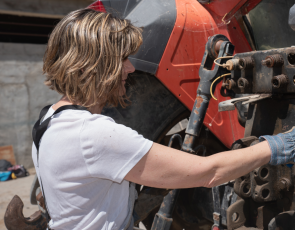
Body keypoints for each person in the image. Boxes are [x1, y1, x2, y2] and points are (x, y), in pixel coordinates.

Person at [32, 8, 295, 230]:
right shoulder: (93, 135)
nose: (130, 68)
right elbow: (210, 172)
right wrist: (277, 146)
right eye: (122, 60)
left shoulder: (48, 121)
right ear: (95, 65)